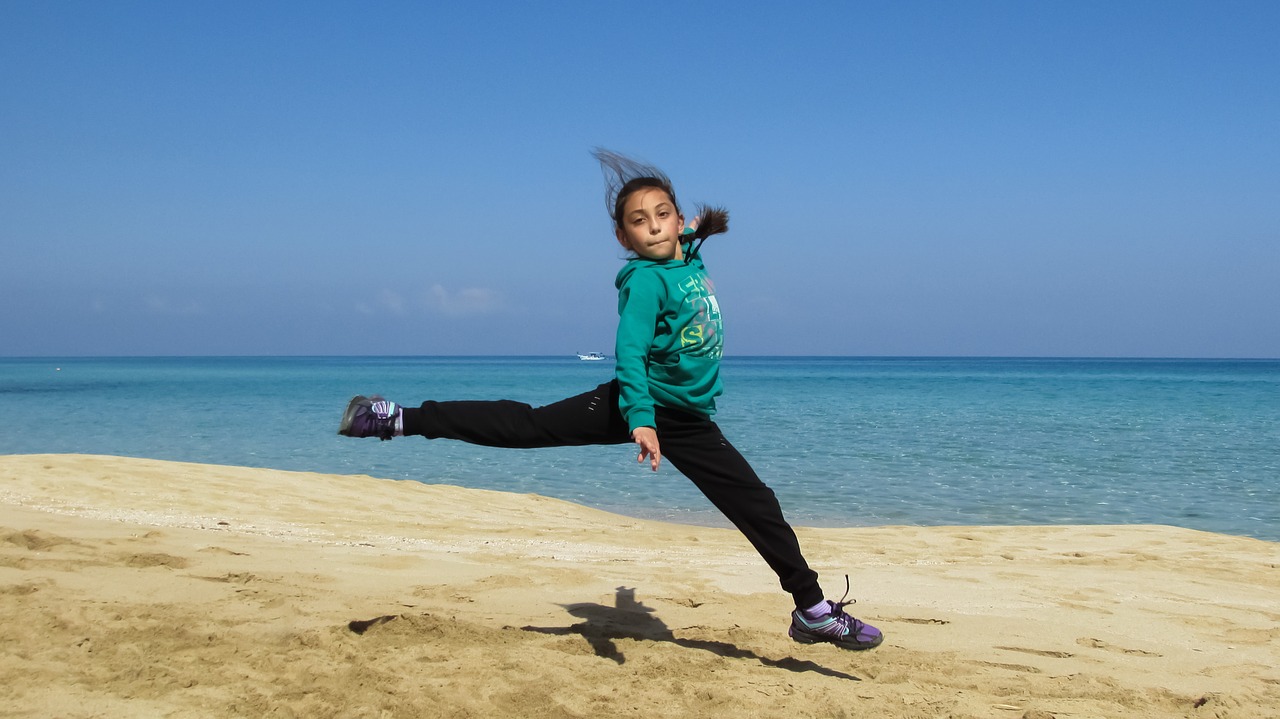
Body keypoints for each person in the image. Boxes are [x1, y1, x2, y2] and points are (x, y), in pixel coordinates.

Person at [338, 149, 883, 651]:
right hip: (647, 407)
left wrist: (701, 227)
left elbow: (687, 235)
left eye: (662, 215)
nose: (653, 227)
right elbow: (630, 351)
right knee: (527, 427)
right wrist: (642, 421)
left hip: (686, 418)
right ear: (623, 238)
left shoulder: (683, 256)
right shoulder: (646, 282)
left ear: (676, 218)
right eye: (638, 222)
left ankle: (810, 611)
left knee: (755, 505)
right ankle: (395, 418)